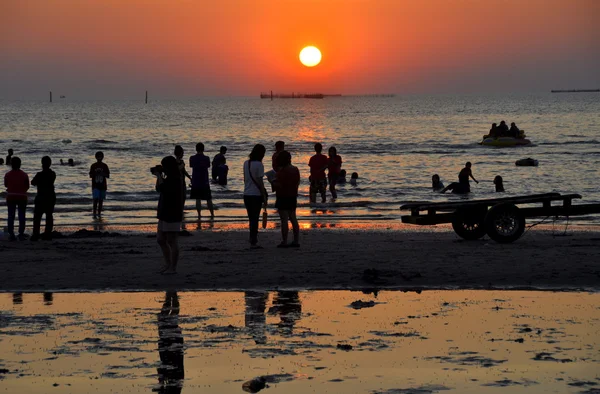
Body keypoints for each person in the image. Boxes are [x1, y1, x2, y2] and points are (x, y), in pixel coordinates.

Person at [155, 155, 183, 274]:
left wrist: (159, 175)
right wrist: (159, 176)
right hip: (164, 211)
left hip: (172, 212)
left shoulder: (176, 179)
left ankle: (173, 267)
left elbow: (163, 188)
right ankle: (168, 264)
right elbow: (158, 189)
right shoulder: (168, 177)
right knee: (160, 239)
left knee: (172, 240)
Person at [273, 151, 300, 248]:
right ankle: (296, 241)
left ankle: (284, 241)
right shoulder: (295, 169)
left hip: (282, 196)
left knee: (284, 219)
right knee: (293, 218)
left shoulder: (281, 172)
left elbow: (279, 185)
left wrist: (272, 182)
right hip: (292, 196)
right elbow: (297, 182)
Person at [243, 144, 268, 248]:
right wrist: (264, 195)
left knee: (251, 218)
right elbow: (260, 182)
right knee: (255, 218)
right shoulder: (259, 165)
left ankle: (252, 238)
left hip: (246, 194)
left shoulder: (246, 163)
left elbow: (245, 179)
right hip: (256, 195)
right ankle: (253, 240)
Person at [31, 156, 56, 241]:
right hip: (50, 197)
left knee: (37, 218)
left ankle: (35, 235)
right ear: (50, 164)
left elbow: (33, 183)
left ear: (42, 164)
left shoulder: (39, 175)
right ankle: (47, 234)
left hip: (41, 197)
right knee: (49, 216)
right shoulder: (52, 174)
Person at [4, 157, 29, 241]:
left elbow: (6, 185)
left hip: (11, 196)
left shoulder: (7, 174)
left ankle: (11, 234)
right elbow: (27, 186)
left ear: (11, 164)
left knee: (11, 215)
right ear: (20, 164)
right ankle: (21, 233)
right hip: (22, 196)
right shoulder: (24, 174)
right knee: (21, 215)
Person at [189, 143, 214, 219]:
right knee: (208, 199)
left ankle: (199, 214)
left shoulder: (192, 158)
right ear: (203, 149)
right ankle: (212, 214)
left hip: (196, 181)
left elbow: (191, 165)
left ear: (196, 149)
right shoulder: (206, 158)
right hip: (204, 181)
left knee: (198, 199)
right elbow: (208, 166)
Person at [89, 151, 110, 219]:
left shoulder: (104, 165)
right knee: (95, 200)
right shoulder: (93, 165)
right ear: (96, 157)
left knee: (101, 200)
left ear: (103, 157)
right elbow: (90, 175)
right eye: (98, 156)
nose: (99, 158)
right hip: (95, 185)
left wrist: (102, 173)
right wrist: (96, 173)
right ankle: (94, 213)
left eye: (100, 156)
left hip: (103, 186)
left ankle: (99, 213)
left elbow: (108, 175)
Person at [174, 145, 192, 223]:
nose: (183, 154)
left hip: (182, 182)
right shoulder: (174, 162)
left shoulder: (182, 162)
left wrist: (190, 178)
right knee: (178, 197)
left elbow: (184, 171)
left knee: (183, 197)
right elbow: (176, 170)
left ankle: (181, 210)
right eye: (182, 153)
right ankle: (178, 210)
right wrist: (181, 166)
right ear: (179, 153)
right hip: (177, 183)